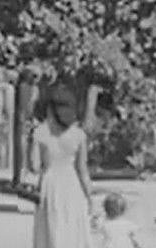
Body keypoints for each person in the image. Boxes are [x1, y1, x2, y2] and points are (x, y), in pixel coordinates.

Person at [31, 84, 94, 248]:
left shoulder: (40, 133)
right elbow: (82, 170)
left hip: (50, 184)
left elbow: (35, 166)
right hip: (71, 185)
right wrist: (89, 197)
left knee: (51, 230)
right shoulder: (79, 135)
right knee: (71, 230)